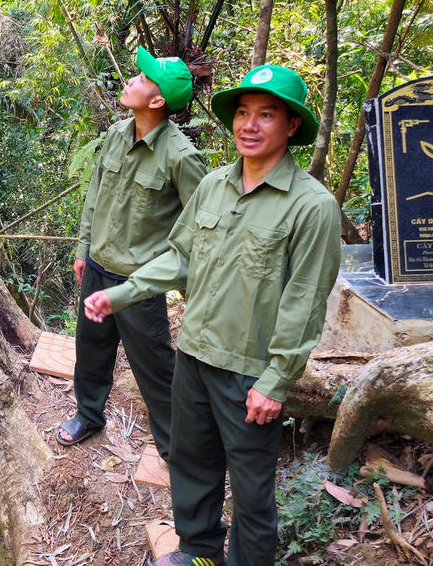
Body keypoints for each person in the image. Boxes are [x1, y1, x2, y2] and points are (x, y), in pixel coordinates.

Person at [84, 64, 341, 566]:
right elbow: (179, 256)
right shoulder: (215, 185)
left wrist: (277, 378)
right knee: (192, 463)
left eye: (266, 115)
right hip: (195, 355)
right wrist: (120, 294)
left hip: (249, 370)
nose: (250, 124)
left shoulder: (313, 206)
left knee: (250, 490)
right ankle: (200, 552)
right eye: (243, 113)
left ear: (291, 127)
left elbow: (306, 298)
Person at [57, 47, 207, 458]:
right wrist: (83, 247)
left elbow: (199, 225)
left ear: (158, 101)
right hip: (98, 268)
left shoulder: (181, 155)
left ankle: (179, 448)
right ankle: (88, 414)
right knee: (91, 348)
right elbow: (95, 195)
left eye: (142, 80)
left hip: (139, 284)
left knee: (156, 369)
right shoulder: (116, 135)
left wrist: (178, 276)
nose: (131, 81)